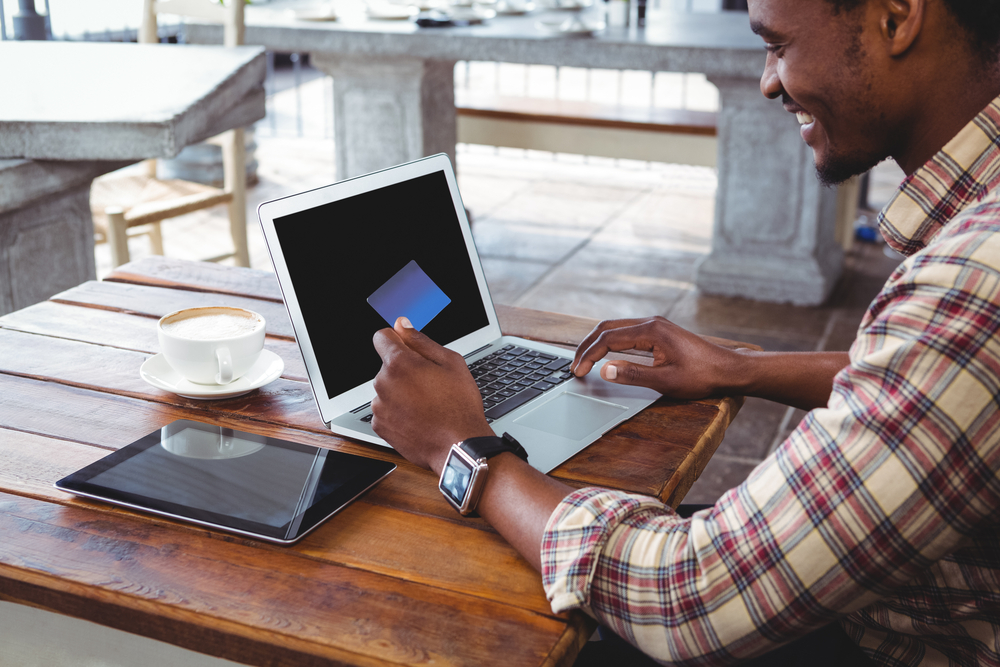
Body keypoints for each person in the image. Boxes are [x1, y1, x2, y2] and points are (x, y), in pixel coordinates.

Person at [370, 0, 1000, 663]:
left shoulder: (975, 281)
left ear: (897, 19)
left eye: (778, 45)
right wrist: (738, 368)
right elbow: (929, 376)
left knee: (491, 619)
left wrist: (463, 450)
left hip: (905, 641)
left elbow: (686, 595)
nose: (768, 81)